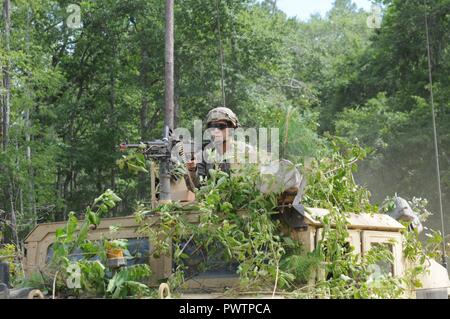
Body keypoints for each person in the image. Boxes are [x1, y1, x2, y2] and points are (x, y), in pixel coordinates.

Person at [186, 107, 258, 188]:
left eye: (221, 126)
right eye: (212, 126)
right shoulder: (204, 154)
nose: (216, 130)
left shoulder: (246, 152)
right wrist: (192, 170)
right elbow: (198, 188)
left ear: (232, 128)